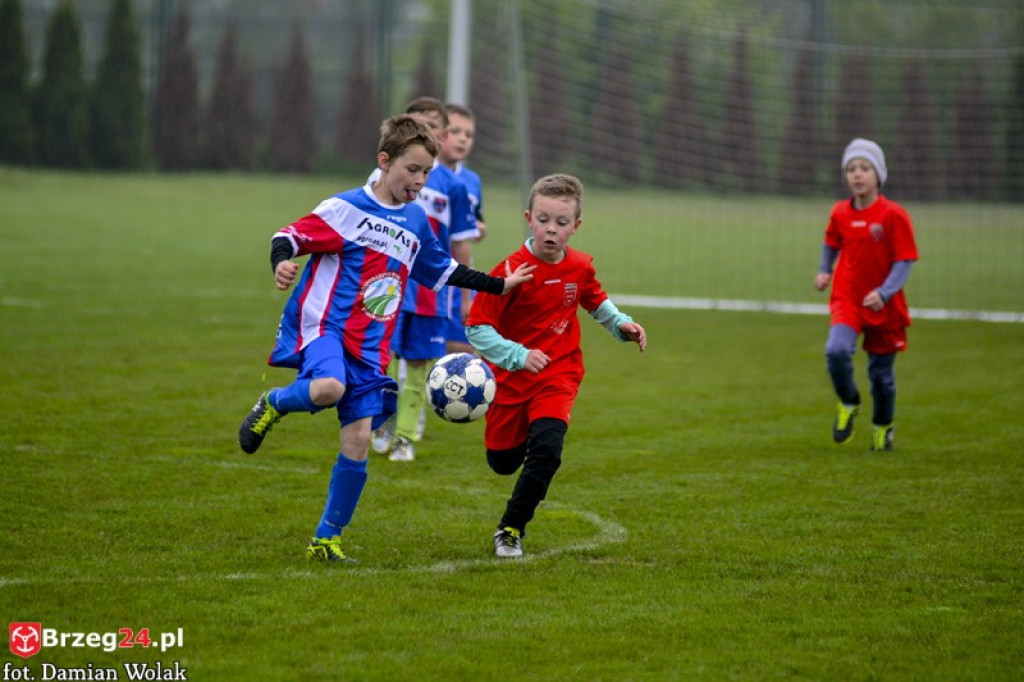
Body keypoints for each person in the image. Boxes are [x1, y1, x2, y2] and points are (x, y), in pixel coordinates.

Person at [237, 114, 534, 563]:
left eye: (426, 173)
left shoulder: (416, 223)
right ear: (384, 162)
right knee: (328, 387)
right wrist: (282, 262)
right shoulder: (346, 209)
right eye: (411, 170)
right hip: (327, 329)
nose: (419, 180)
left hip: (371, 347)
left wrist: (499, 285)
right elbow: (289, 235)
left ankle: (326, 539)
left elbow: (446, 269)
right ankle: (275, 403)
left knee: (356, 443)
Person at [465, 173, 647, 558]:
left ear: (576, 227)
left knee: (548, 450)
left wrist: (621, 324)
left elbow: (595, 301)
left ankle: (510, 529)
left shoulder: (579, 268)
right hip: (510, 380)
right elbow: (477, 329)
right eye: (544, 220)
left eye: (561, 223)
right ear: (529, 218)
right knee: (502, 463)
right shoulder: (510, 271)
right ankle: (522, 437)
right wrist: (518, 355)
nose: (551, 230)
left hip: (559, 374)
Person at [371, 97, 480, 462]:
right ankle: (383, 420)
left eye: (432, 127)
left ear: (443, 134)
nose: (424, 133)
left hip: (431, 293)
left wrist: (465, 297)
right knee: (379, 355)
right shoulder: (382, 175)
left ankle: (403, 436)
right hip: (387, 282)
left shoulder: (453, 187)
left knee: (418, 365)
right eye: (416, 125)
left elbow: (462, 245)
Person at [814, 138, 918, 452]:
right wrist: (824, 270)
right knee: (835, 352)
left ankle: (883, 428)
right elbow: (831, 242)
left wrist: (885, 293)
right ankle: (849, 402)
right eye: (851, 168)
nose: (857, 174)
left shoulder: (893, 215)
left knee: (882, 377)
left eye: (864, 168)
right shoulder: (840, 213)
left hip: (885, 306)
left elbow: (905, 259)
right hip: (847, 299)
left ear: (878, 175)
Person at [441, 103, 487, 356]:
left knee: (467, 350)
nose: (462, 139)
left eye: (468, 135)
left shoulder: (472, 181)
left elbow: (476, 222)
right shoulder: (422, 174)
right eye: (455, 131)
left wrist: (478, 228)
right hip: (428, 275)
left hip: (460, 274)